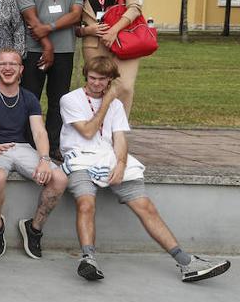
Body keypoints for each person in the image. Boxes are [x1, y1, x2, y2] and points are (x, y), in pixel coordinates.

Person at [61, 56, 230, 283]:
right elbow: (89, 131)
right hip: (79, 158)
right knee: (86, 203)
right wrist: (108, 101)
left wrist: (121, 164)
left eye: (102, 79)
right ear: (86, 76)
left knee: (146, 207)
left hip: (110, 159)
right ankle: (88, 259)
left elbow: (119, 138)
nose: (96, 84)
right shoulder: (70, 99)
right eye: (92, 78)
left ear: (111, 80)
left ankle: (186, 263)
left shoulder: (117, 105)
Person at [0, 48, 70, 260]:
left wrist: (44, 160)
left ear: (21, 69)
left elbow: (39, 131)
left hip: (22, 147)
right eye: (3, 64)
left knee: (60, 178)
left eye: (13, 64)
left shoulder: (29, 98)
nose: (7, 68)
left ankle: (34, 228)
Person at [15, 0, 84, 159]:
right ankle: (27, 143)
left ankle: (54, 144)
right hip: (35, 48)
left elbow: (76, 14)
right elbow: (29, 15)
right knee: (30, 96)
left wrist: (50, 27)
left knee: (58, 98)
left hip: (65, 48)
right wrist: (47, 45)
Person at [78, 0, 143, 116]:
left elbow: (134, 7)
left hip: (125, 41)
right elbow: (72, 23)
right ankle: (97, 131)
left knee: (125, 86)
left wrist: (114, 31)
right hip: (94, 45)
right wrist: (87, 30)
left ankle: (118, 131)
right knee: (97, 87)